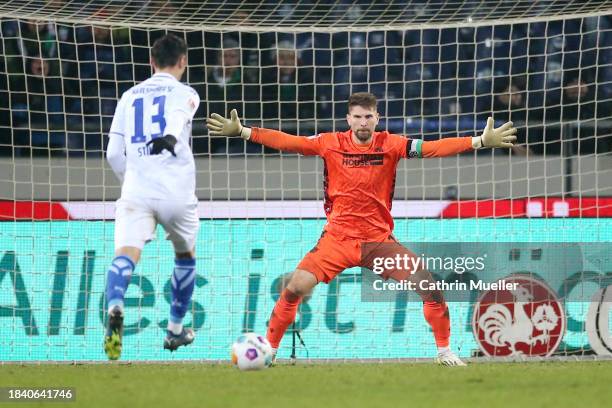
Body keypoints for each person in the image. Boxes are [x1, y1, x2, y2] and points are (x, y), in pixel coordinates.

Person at [207, 92, 517, 366]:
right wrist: (245, 132)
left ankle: (445, 352)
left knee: (429, 285)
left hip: (378, 242)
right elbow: (292, 142)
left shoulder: (392, 144)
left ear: (377, 117)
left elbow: (433, 148)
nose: (363, 122)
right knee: (295, 288)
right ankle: (269, 351)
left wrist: (478, 141)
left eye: (369, 116)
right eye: (357, 117)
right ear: (348, 119)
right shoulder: (331, 143)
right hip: (337, 240)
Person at [104, 33, 201, 360]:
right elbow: (177, 117)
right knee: (185, 255)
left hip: (137, 188)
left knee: (125, 255)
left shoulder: (129, 96)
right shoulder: (186, 93)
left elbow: (114, 153)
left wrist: (132, 180)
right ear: (183, 61)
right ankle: (175, 331)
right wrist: (171, 138)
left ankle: (115, 304)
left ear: (151, 61)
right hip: (176, 188)